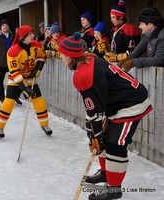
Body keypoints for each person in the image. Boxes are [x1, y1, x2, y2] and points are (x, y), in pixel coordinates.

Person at [59, 32, 153, 200]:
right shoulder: (89, 59)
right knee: (102, 138)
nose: (60, 55)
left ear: (70, 55)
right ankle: (105, 173)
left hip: (131, 104)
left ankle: (114, 189)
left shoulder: (83, 75)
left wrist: (93, 132)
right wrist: (95, 133)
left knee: (115, 143)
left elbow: (94, 111)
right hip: (119, 103)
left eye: (62, 52)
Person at [0, 25, 53, 138]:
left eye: (32, 33)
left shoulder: (35, 45)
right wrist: (25, 89)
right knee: (9, 102)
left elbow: (41, 57)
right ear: (23, 37)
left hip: (30, 77)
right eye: (30, 34)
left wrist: (38, 69)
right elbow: (14, 71)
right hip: (15, 79)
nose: (33, 35)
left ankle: (45, 125)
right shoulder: (13, 51)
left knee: (39, 101)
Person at [118, 7, 164, 72]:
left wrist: (134, 62)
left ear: (150, 25)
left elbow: (159, 60)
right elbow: (141, 46)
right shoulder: (150, 34)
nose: (139, 26)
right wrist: (128, 58)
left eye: (141, 24)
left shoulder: (162, 37)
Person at [0, 19, 22, 105]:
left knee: (17, 80)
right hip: (1, 63)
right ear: (1, 27)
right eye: (3, 25)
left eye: (6, 25)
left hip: (12, 62)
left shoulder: (13, 36)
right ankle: (2, 98)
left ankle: (15, 96)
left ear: (8, 26)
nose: (5, 26)